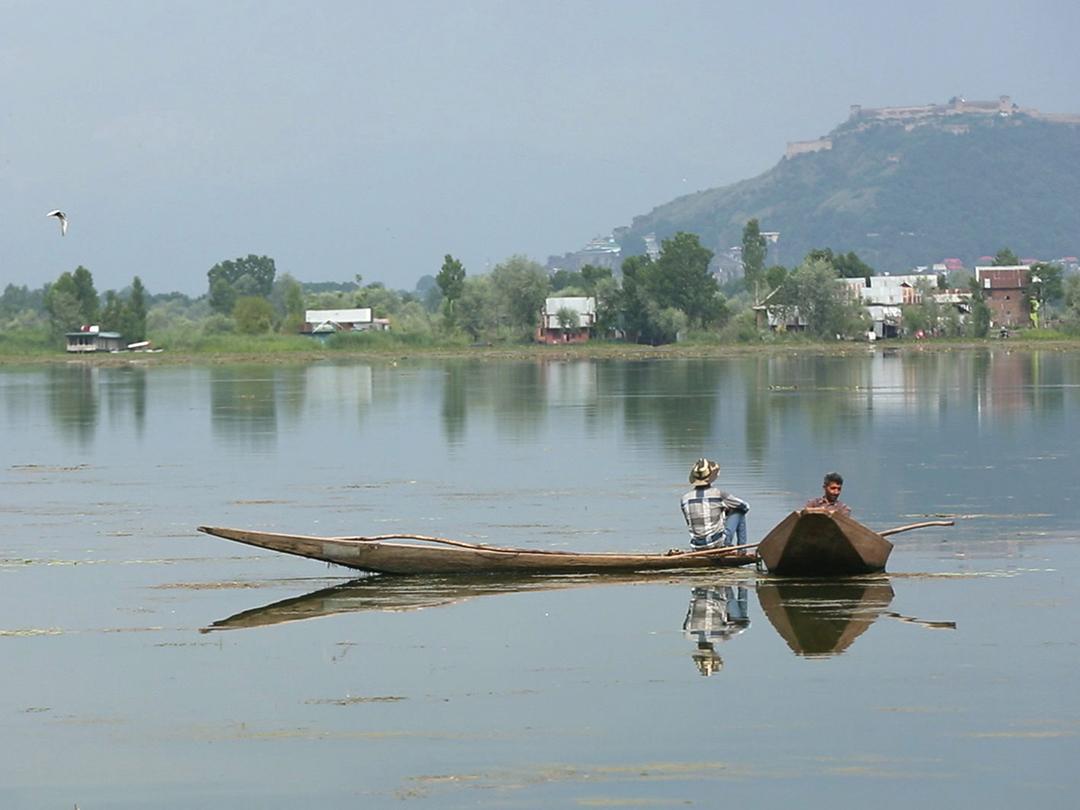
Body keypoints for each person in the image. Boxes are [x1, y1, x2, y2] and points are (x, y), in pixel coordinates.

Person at [680, 458, 750, 549]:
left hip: (696, 545)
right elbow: (745, 506)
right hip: (717, 543)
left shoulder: (685, 499)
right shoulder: (718, 494)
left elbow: (690, 522)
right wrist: (728, 511)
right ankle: (742, 550)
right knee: (739, 511)